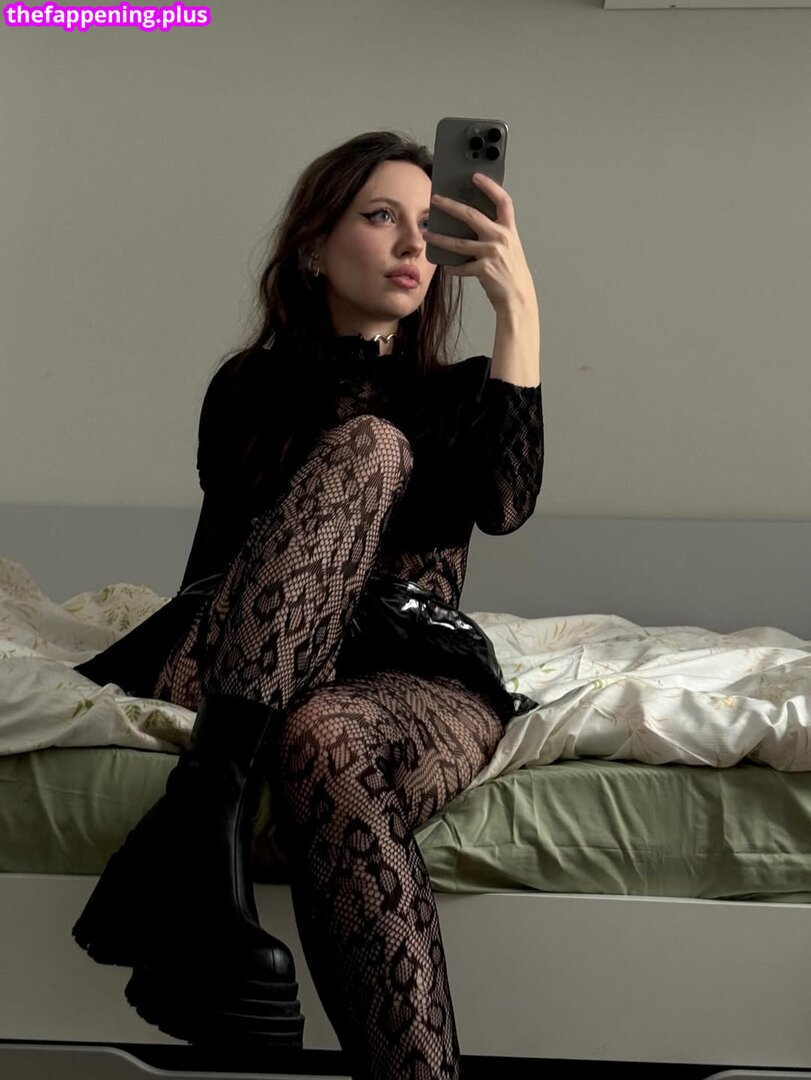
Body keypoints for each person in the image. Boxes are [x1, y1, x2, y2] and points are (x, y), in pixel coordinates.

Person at [70, 129, 544, 1080]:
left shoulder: (461, 394)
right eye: (380, 216)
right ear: (312, 248)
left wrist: (516, 305)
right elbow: (256, 549)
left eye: (428, 225)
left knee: (325, 740)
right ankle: (207, 810)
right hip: (245, 648)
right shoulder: (250, 386)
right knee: (372, 448)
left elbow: (503, 503)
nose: (411, 244)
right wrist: (368, 439)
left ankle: (190, 833)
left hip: (406, 675)